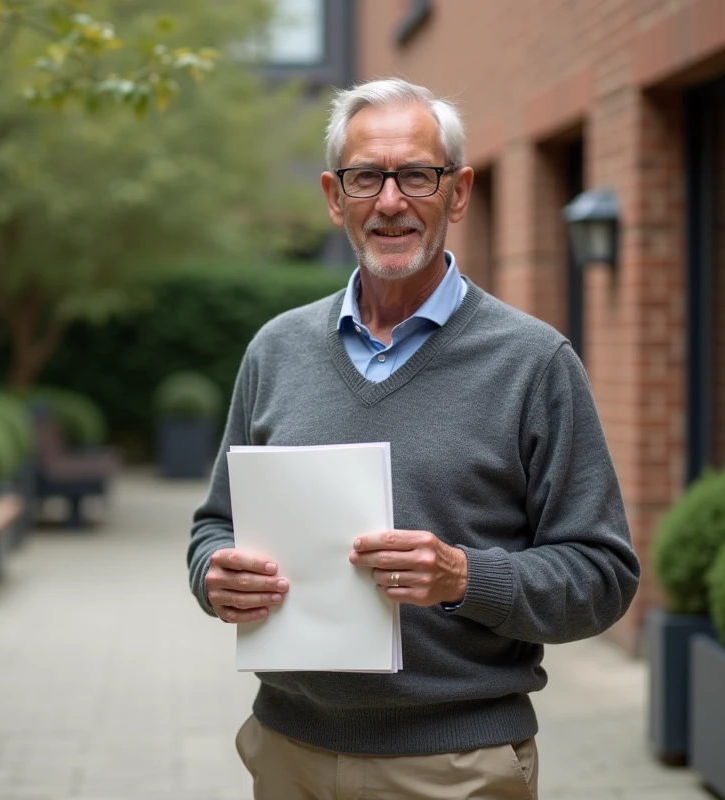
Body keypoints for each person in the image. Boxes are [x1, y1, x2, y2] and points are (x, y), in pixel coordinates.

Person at [185, 78, 640, 800]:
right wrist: (213, 577)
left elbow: (603, 579)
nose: (390, 202)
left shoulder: (534, 363)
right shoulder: (275, 351)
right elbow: (215, 525)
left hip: (456, 765)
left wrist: (464, 577)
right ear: (336, 197)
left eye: (416, 176)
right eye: (367, 177)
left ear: (457, 192)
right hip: (286, 755)